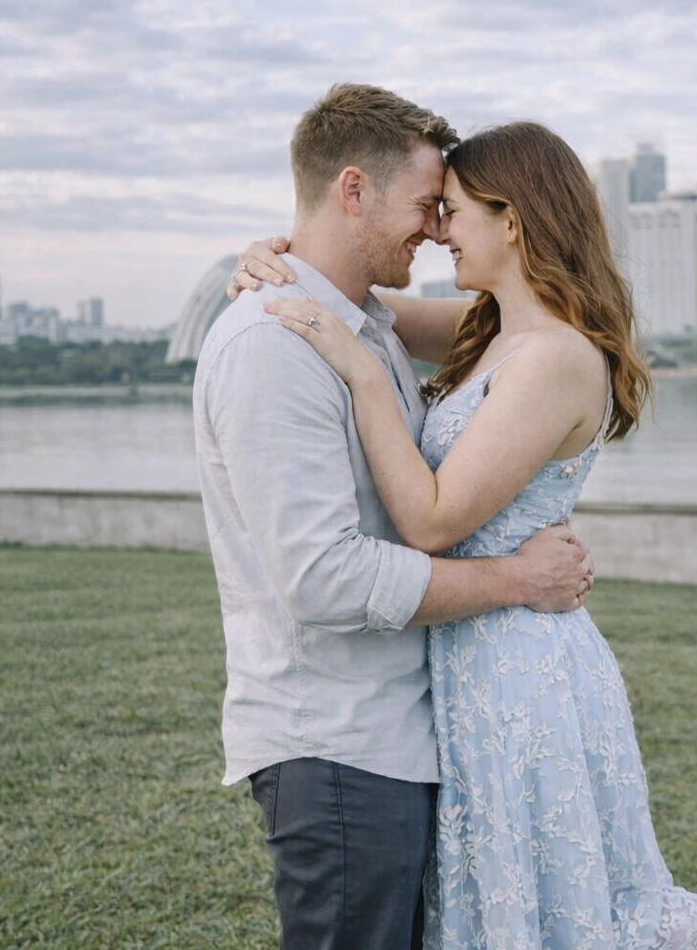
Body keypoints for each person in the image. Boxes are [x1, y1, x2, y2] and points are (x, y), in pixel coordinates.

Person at [234, 117, 697, 949]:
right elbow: (355, 301)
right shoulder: (487, 330)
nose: (439, 231)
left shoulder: (553, 358)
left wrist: (365, 377)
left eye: (454, 210)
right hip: (467, 664)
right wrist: (273, 257)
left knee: (574, 913)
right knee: (511, 906)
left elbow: (431, 519)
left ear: (510, 220)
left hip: (520, 670)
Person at [194, 84, 596, 950]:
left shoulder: (365, 324)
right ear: (352, 190)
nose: (436, 227)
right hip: (336, 743)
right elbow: (323, 576)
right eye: (425, 205)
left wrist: (278, 254)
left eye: (449, 210)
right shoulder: (275, 344)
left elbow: (522, 335)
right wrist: (517, 580)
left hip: (404, 733)